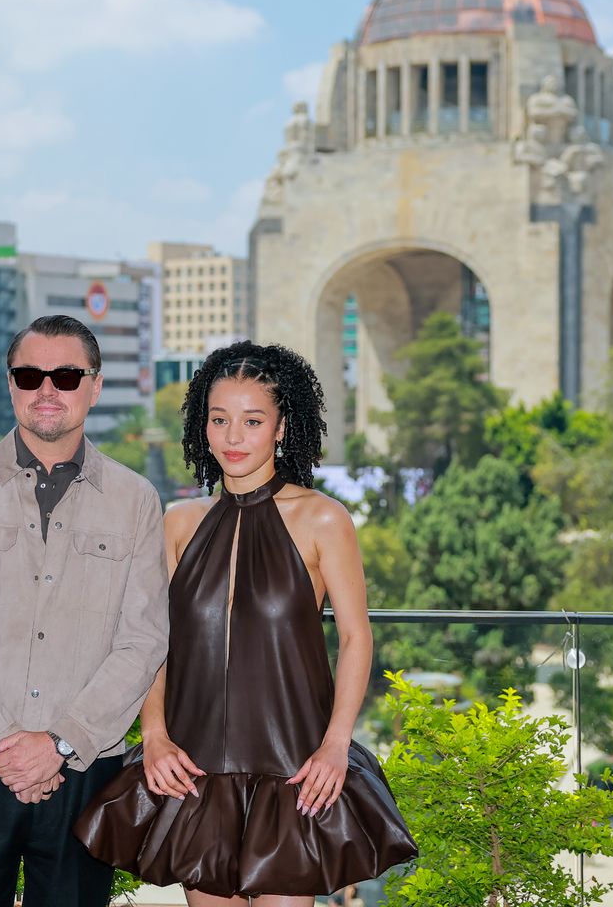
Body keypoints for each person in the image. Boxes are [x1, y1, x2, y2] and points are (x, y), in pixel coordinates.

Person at [75, 342, 416, 904]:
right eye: (219, 419)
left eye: (252, 420)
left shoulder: (323, 518)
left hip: (295, 770)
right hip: (195, 768)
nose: (233, 437)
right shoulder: (177, 522)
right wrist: (155, 736)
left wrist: (336, 744)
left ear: (282, 427)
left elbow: (356, 638)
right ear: (201, 426)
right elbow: (149, 641)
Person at [0, 314, 169, 907]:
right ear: (10, 384)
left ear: (95, 387)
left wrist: (59, 744)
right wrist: (7, 746)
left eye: (67, 375)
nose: (47, 389)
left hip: (82, 771)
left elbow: (144, 641)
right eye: (30, 375)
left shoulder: (136, 502)